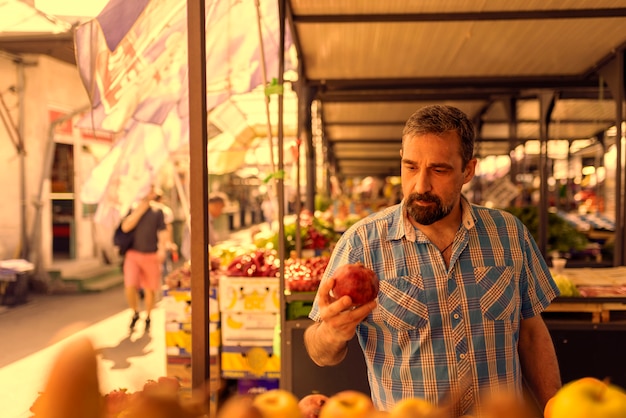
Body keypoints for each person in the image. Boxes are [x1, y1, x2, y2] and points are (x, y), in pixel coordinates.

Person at [304, 105, 562, 416]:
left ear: (468, 170)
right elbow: (320, 352)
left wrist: (555, 408)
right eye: (410, 167)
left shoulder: (509, 234)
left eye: (439, 170)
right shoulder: (361, 244)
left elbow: (532, 332)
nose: (420, 185)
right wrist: (332, 333)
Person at [120, 185, 171, 332]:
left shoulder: (158, 211)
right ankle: (135, 312)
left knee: (150, 288)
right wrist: (140, 210)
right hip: (133, 254)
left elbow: (162, 232)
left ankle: (148, 316)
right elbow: (125, 227)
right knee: (130, 285)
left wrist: (162, 250)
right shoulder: (133, 208)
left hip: (151, 254)